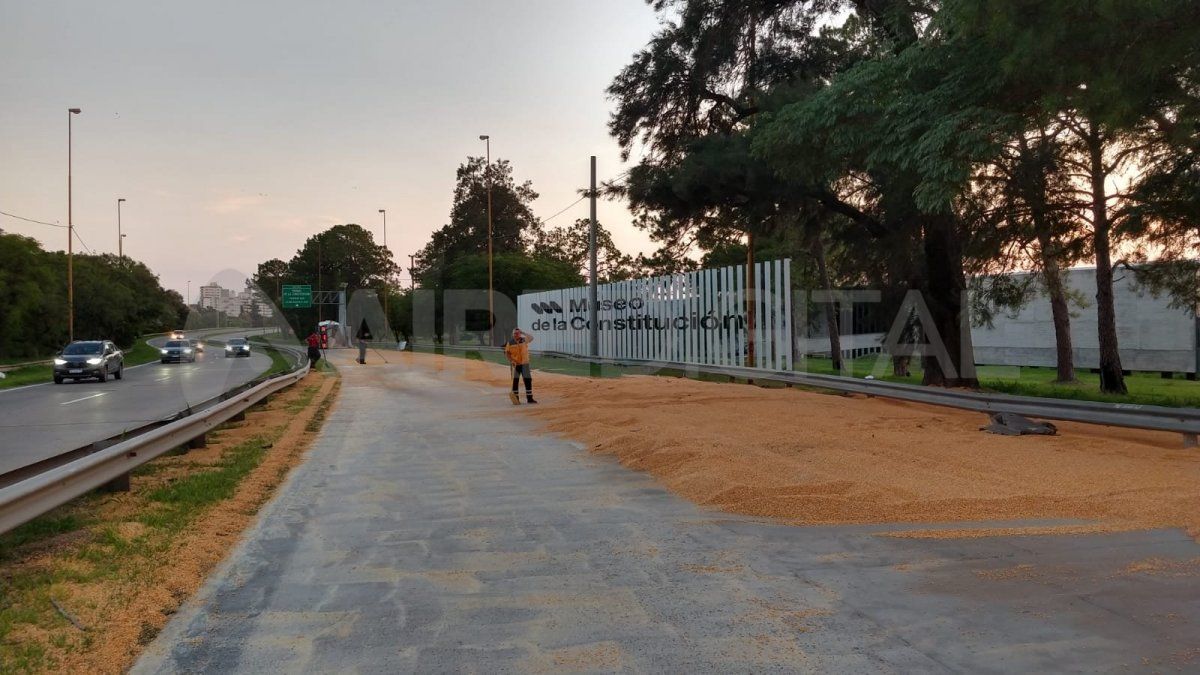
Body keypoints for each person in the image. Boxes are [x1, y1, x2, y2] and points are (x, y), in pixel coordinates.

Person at [503, 328, 536, 404]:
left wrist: (523, 332)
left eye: (518, 333)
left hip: (525, 364)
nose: (516, 334)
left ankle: (530, 399)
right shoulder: (510, 343)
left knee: (528, 381)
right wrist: (511, 361)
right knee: (515, 381)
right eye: (515, 333)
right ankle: (516, 399)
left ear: (520, 333)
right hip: (516, 365)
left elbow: (531, 338)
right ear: (512, 334)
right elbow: (507, 353)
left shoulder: (524, 340)